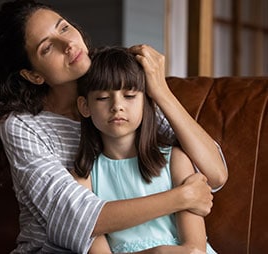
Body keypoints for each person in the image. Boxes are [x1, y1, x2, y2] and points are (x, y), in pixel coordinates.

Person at [0, 0, 228, 253]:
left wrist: (160, 92)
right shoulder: (21, 126)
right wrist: (181, 198)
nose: (69, 44)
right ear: (33, 75)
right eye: (48, 47)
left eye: (63, 28)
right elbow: (77, 221)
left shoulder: (117, 88)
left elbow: (214, 174)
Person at [74, 46, 217, 253]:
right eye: (103, 98)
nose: (117, 106)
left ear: (146, 102)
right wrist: (156, 252)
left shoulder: (175, 160)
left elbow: (195, 249)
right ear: (84, 106)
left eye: (130, 96)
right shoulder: (84, 175)